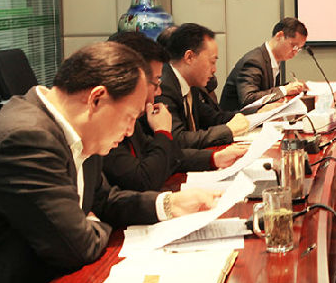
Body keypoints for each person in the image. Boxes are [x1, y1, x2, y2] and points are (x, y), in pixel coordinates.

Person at [0, 42, 218, 283]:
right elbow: (77, 247)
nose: (130, 131)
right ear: (96, 99)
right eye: (129, 117)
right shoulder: (28, 137)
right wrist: (90, 222)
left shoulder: (76, 130)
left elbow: (103, 200)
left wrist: (169, 204)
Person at [103, 31, 247, 191]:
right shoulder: (105, 126)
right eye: (156, 82)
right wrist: (163, 131)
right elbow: (143, 179)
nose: (158, 92)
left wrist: (214, 158)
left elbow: (170, 156)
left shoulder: (130, 119)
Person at [157, 23, 249, 148]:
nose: (214, 69)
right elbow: (178, 140)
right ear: (189, 57)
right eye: (212, 62)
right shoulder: (163, 87)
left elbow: (212, 118)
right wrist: (228, 130)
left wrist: (250, 116)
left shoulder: (191, 84)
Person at [219, 17, 308, 111]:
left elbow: (265, 90)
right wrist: (284, 90)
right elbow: (247, 99)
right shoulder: (254, 61)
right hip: (236, 118)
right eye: (294, 46)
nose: (295, 52)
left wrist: (291, 87)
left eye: (298, 49)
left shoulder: (272, 59)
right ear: (279, 36)